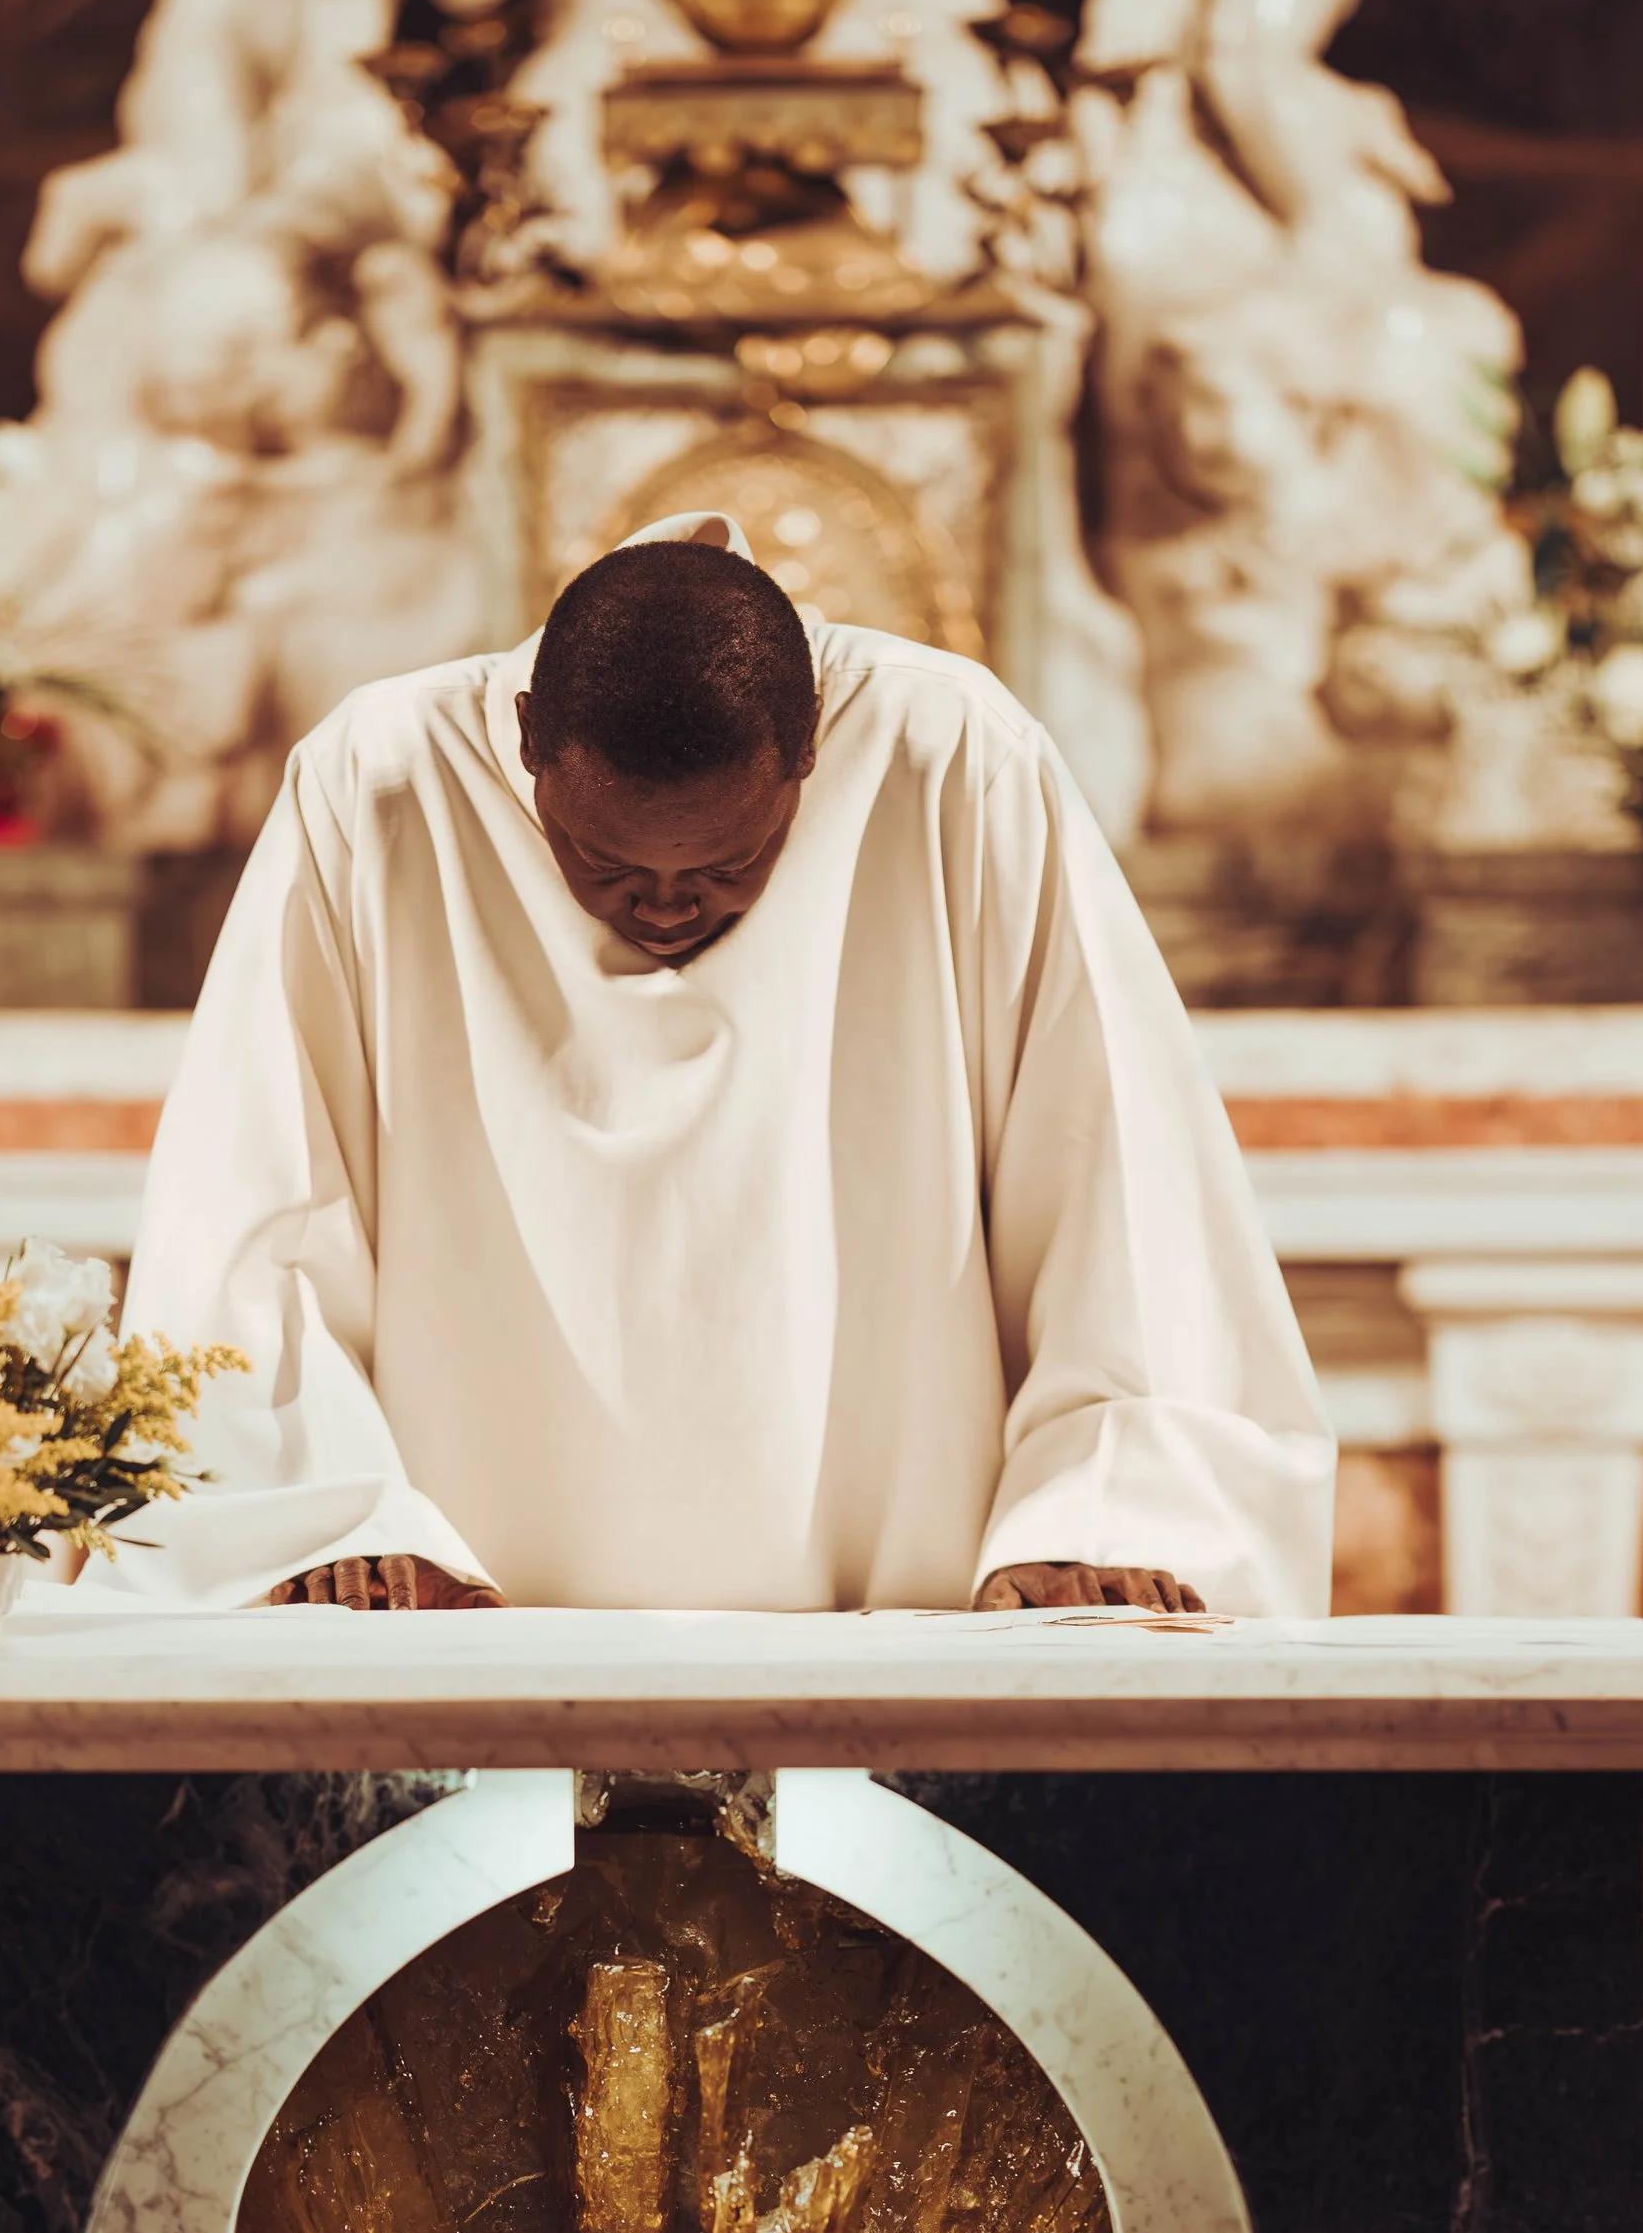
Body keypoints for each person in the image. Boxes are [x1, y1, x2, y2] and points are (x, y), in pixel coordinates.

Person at [107, 513, 1333, 1615]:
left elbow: (1114, 1163)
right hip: (455, 1633)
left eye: (726, 866)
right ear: (531, 736)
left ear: (810, 754)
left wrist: (1104, 1512)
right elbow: (257, 1194)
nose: (667, 909)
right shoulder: (375, 784)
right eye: (607, 865)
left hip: (899, 1625)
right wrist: (321, 1513)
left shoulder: (951, 758)